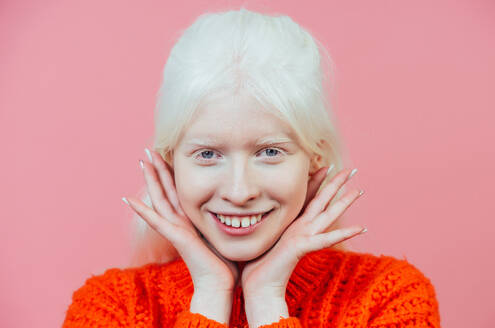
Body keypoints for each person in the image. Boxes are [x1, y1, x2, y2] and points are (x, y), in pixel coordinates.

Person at [62, 7, 441, 328]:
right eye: (208, 154)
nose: (240, 191)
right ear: (168, 161)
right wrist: (209, 292)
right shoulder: (110, 307)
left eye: (270, 152)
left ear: (315, 158)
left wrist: (268, 298)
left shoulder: (389, 297)